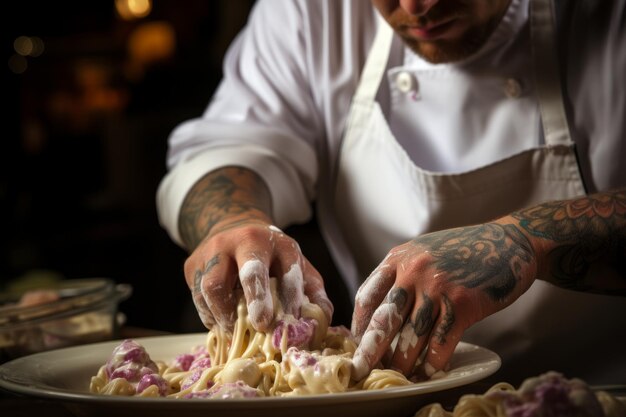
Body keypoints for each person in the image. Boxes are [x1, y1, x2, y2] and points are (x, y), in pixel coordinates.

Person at [156, 0, 626, 385]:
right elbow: (233, 145)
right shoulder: (306, 12)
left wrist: (527, 240)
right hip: (395, 397)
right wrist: (231, 223)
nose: (416, 6)